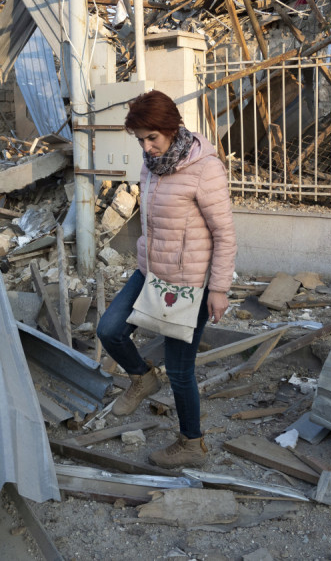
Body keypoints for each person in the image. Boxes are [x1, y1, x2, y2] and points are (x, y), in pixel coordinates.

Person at [97, 89, 236, 468]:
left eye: (152, 138)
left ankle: (192, 443)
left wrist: (219, 288)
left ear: (172, 129)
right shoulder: (151, 164)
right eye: (140, 139)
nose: (146, 146)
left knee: (179, 369)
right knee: (109, 329)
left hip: (189, 283)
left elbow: (224, 233)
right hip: (150, 272)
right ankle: (142, 378)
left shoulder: (205, 168)